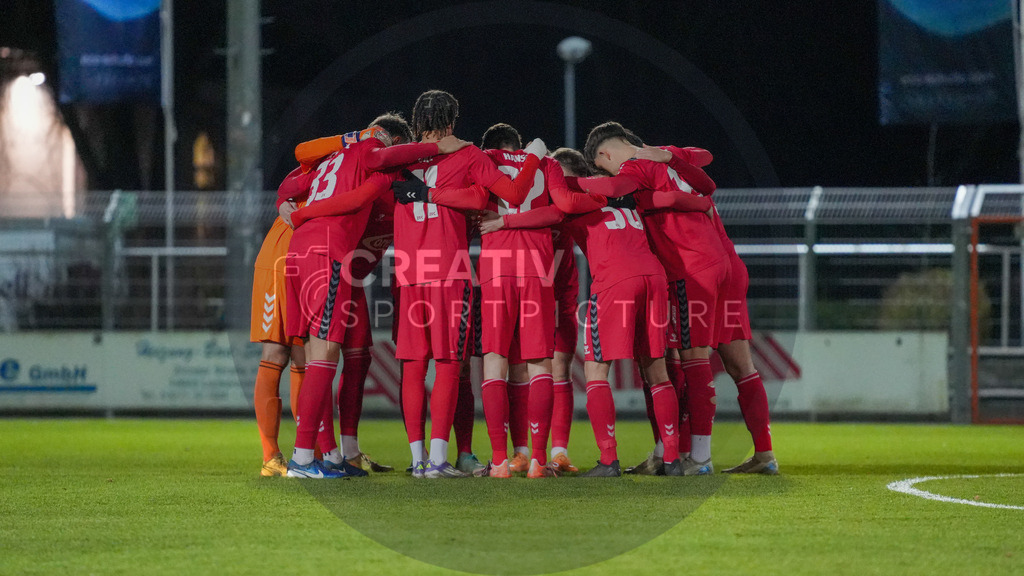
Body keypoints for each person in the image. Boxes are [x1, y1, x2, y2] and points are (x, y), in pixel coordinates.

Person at [281, 112, 470, 478]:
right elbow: (372, 167)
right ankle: (303, 459)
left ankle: (332, 455)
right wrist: (436, 146)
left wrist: (292, 210)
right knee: (324, 355)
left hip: (300, 252)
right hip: (328, 252)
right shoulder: (374, 155)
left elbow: (287, 187)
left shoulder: (332, 159)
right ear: (394, 143)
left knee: (321, 353)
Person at [390, 90, 545, 478]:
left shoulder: (397, 159)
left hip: (408, 271)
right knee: (447, 364)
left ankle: (417, 460)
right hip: (448, 268)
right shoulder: (470, 155)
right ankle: (440, 461)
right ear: (453, 120)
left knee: (412, 366)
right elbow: (512, 192)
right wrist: (534, 157)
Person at [579, 121, 728, 475]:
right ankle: (668, 452)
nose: (609, 175)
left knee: (689, 363)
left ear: (605, 153)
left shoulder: (632, 168)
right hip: (708, 261)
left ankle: (699, 458)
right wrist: (677, 171)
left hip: (688, 266)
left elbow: (616, 185)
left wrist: (565, 181)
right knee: (667, 365)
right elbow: (706, 164)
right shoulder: (662, 155)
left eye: (602, 167)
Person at [635, 146, 778, 475]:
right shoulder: (682, 173)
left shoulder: (645, 182)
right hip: (730, 268)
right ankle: (764, 454)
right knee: (742, 367)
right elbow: (705, 155)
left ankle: (695, 456)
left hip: (696, 273)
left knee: (688, 364)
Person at [547, 153, 686, 477]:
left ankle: (609, 460)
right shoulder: (622, 196)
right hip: (654, 279)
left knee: (596, 369)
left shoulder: (574, 199)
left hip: (615, 282)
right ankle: (671, 458)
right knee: (657, 372)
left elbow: (555, 207)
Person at [475, 123, 566, 478]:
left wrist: (500, 222)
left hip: (497, 269)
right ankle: (539, 462)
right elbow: (559, 212)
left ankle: (500, 462)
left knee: (495, 361)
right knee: (540, 363)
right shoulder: (548, 163)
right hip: (538, 268)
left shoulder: (483, 159)